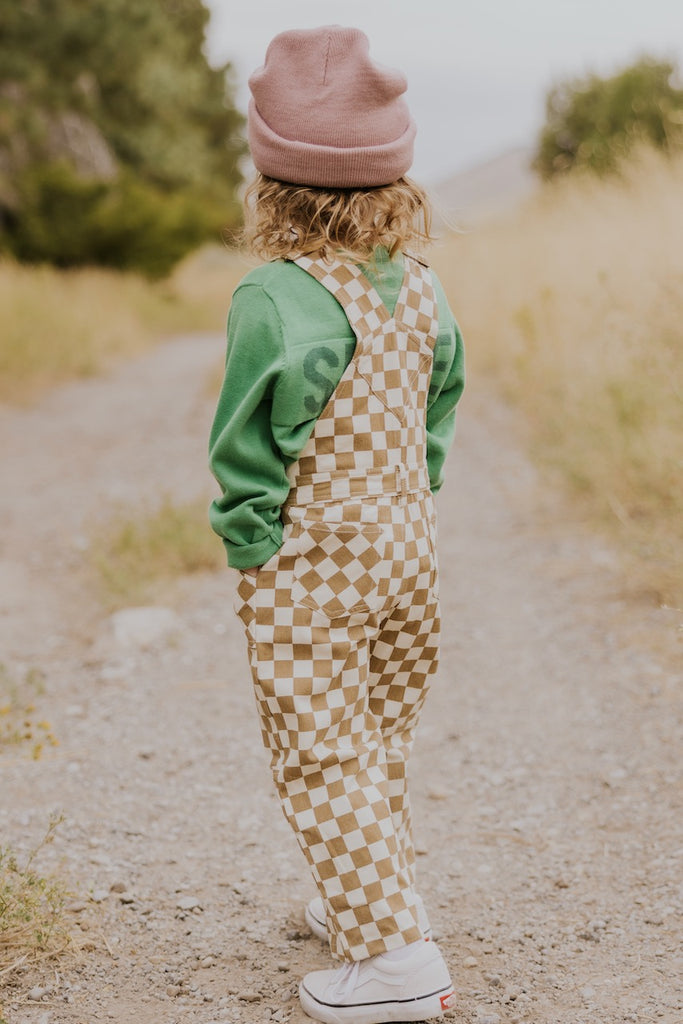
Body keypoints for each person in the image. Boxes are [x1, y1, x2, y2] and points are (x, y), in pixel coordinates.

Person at [208, 25, 465, 1024]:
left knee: (319, 747)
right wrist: (413, 492)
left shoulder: (275, 296)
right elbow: (437, 411)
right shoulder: (425, 289)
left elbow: (244, 445)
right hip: (408, 555)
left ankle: (398, 963)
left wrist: (249, 540)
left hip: (313, 563)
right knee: (376, 736)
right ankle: (361, 899)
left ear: (272, 179)